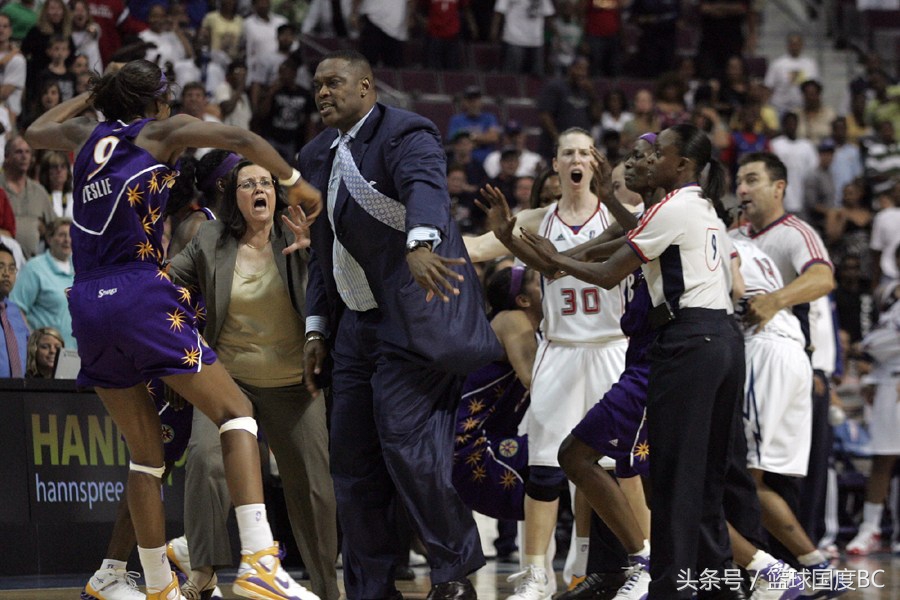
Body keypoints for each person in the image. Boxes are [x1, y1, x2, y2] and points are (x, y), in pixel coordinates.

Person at [23, 58, 322, 600]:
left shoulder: (85, 136)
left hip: (87, 302)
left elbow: (33, 131)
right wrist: (295, 182)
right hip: (138, 291)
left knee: (145, 455)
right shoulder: (157, 130)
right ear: (153, 103)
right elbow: (237, 135)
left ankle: (158, 586)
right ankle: (258, 563)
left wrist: (95, 95)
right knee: (238, 414)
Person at [298, 49, 500, 600]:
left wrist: (420, 241)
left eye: (334, 82)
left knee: (406, 445)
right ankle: (369, 588)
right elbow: (322, 253)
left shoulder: (406, 131)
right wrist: (317, 329)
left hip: (413, 317)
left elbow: (425, 189)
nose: (322, 92)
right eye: (317, 85)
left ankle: (454, 572)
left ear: (366, 87)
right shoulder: (314, 154)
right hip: (353, 329)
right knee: (352, 464)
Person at [518, 124, 746, 600]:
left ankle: (666, 584)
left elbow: (605, 270)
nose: (638, 162)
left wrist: (558, 261)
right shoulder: (700, 206)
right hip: (719, 341)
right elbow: (615, 242)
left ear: (680, 165)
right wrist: (557, 257)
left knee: (673, 479)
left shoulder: (673, 208)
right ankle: (715, 584)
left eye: (652, 154)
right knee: (702, 482)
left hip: (687, 342)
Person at [466, 129, 635, 600]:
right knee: (544, 467)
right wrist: (417, 243)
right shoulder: (538, 218)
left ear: (596, 163)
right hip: (559, 348)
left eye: (584, 152)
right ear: (556, 166)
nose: (576, 159)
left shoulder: (619, 217)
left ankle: (624, 563)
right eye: (568, 154)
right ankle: (536, 574)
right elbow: (478, 248)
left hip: (611, 348)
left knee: (619, 467)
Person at [167, 160, 339, 600]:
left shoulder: (300, 234)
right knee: (205, 460)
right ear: (234, 196)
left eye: (266, 182)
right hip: (231, 379)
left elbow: (342, 281)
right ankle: (203, 572)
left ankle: (326, 586)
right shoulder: (210, 239)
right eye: (249, 184)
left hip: (294, 385)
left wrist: (315, 249)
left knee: (313, 489)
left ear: (276, 193)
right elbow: (167, 282)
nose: (259, 189)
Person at [731, 151, 837, 580]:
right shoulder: (734, 233)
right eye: (739, 180)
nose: (742, 189)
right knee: (765, 473)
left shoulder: (795, 232)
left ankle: (788, 569)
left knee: (767, 474)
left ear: (779, 188)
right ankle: (793, 570)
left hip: (792, 362)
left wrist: (774, 300)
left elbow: (823, 278)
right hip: (765, 359)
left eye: (752, 180)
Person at [10, 218, 75, 348]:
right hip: (44, 356)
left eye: (71, 235)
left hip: (74, 352)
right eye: (61, 235)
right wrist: (30, 341)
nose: (67, 240)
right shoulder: (34, 268)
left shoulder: (80, 267)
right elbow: (15, 309)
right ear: (49, 239)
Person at [0, 135, 55, 258]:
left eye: (27, 152)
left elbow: (53, 226)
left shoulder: (39, 191)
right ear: (7, 157)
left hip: (32, 262)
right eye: (19, 152)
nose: (24, 156)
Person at [0, 242, 28, 377]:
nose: (6, 274)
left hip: (18, 394)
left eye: (12, 269)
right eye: (0, 267)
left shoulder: (16, 312)